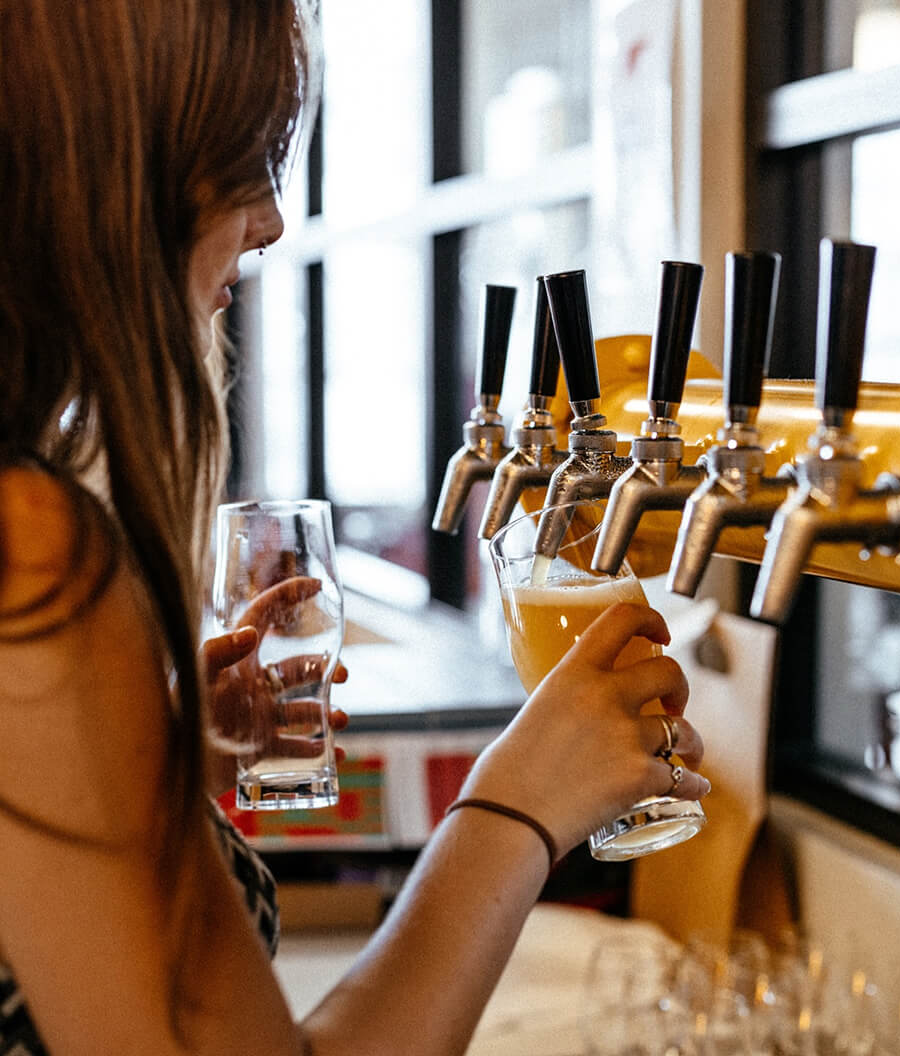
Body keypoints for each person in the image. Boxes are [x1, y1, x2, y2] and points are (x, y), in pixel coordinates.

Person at [0, 1, 711, 1053]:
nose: (272, 219)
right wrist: (512, 810)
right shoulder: (32, 555)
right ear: (112, 162)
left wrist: (155, 752)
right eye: (240, 152)